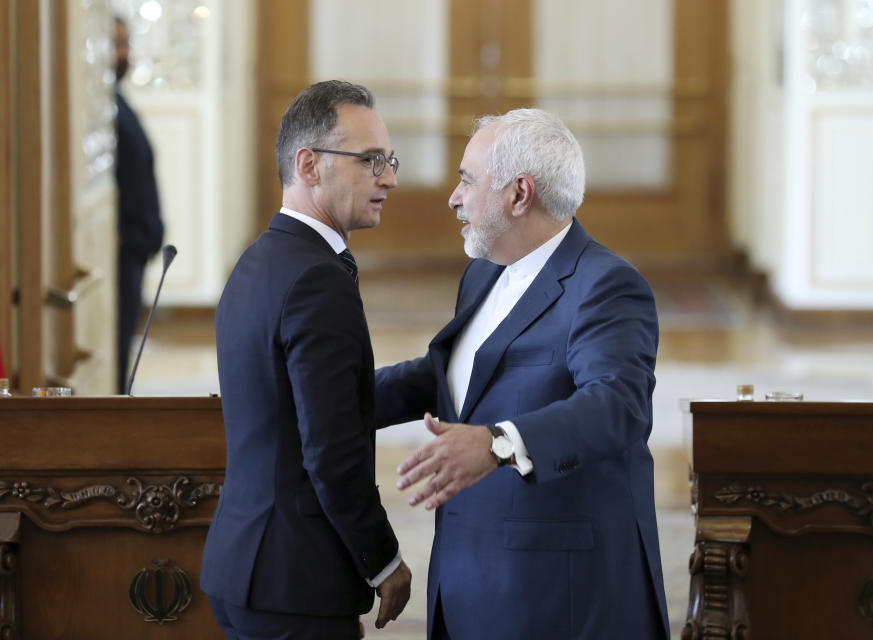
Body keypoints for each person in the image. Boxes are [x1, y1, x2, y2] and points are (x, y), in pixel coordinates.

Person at [375, 108, 669, 639]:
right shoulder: (483, 272)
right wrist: (327, 396)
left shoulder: (605, 286)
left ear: (519, 194)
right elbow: (450, 377)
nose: (453, 196)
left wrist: (498, 444)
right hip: (468, 582)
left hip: (559, 598)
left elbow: (616, 405)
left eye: (466, 179)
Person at [200, 80, 411, 639]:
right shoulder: (317, 278)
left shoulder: (257, 261)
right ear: (309, 165)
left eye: (388, 160)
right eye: (370, 161)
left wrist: (436, 377)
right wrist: (383, 559)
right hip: (294, 583)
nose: (388, 177)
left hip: (245, 567)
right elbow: (331, 452)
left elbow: (300, 410)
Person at [114, 16, 164, 394]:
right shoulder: (101, 111)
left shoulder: (115, 104)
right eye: (116, 45)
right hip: (119, 255)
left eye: (125, 43)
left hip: (133, 252)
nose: (123, 54)